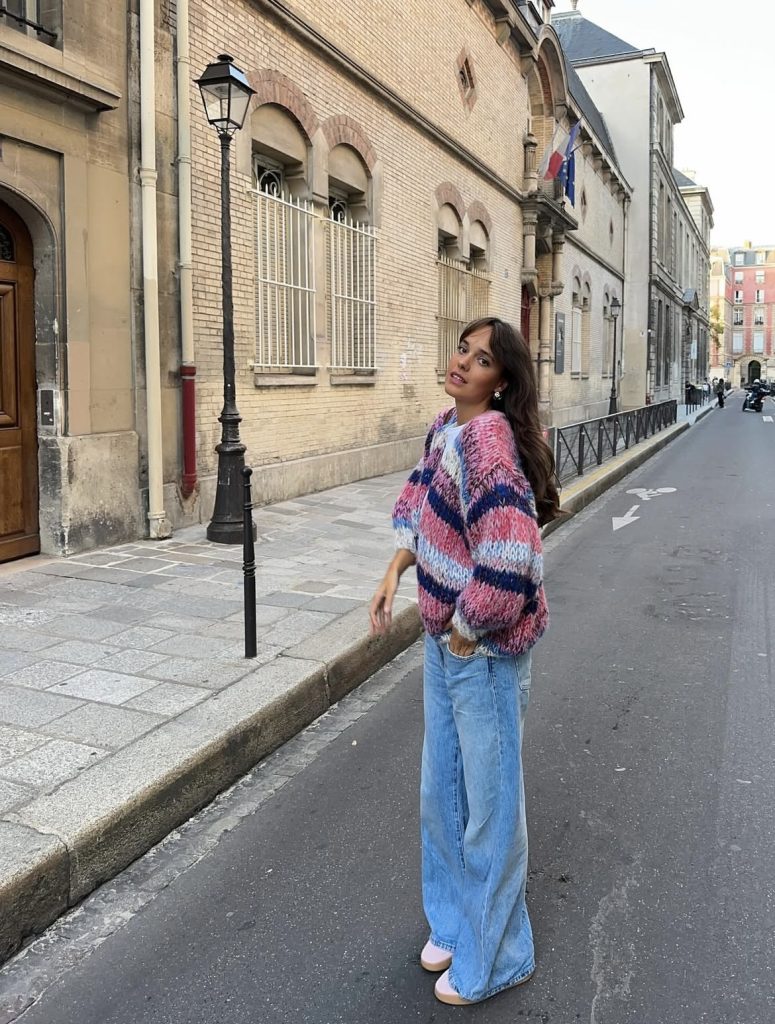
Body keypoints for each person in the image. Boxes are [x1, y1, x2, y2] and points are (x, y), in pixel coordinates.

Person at [369, 317, 562, 1006]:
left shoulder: (488, 443)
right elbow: (418, 503)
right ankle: (454, 925)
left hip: (481, 650)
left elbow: (511, 555)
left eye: (481, 360)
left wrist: (465, 630)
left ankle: (503, 953)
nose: (463, 363)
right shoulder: (445, 428)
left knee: (490, 811)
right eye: (462, 349)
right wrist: (396, 569)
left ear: (500, 380)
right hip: (443, 638)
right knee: (443, 796)